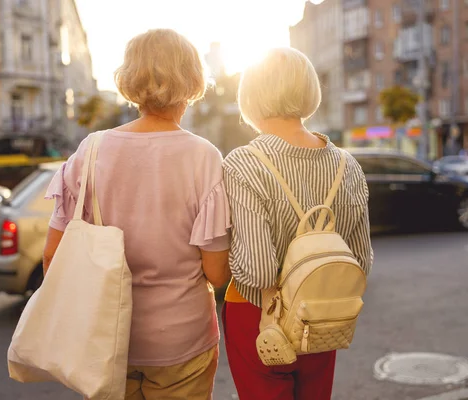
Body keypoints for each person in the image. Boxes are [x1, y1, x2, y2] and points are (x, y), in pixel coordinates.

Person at [42, 29, 230, 400]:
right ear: (192, 80)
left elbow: (53, 256)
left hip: (107, 339)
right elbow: (216, 273)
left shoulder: (91, 150)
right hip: (182, 341)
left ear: (130, 80)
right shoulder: (204, 156)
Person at [221, 47, 373, 400]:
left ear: (251, 96)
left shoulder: (244, 163)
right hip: (323, 311)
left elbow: (258, 273)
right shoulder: (348, 165)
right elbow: (362, 262)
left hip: (260, 317)